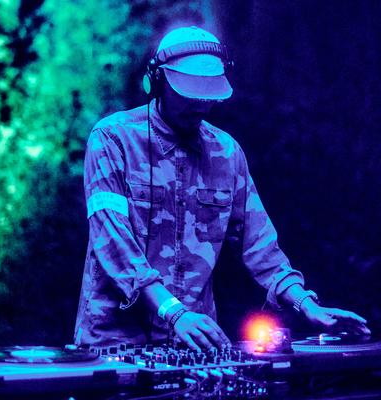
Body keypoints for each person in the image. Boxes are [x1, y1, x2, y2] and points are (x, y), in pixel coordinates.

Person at [74, 26, 370, 351]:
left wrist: (307, 305)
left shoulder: (227, 153)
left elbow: (259, 244)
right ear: (157, 81)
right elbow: (112, 239)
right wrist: (173, 311)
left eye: (207, 95)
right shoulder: (112, 139)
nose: (199, 105)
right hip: (114, 341)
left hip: (192, 342)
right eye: (188, 93)